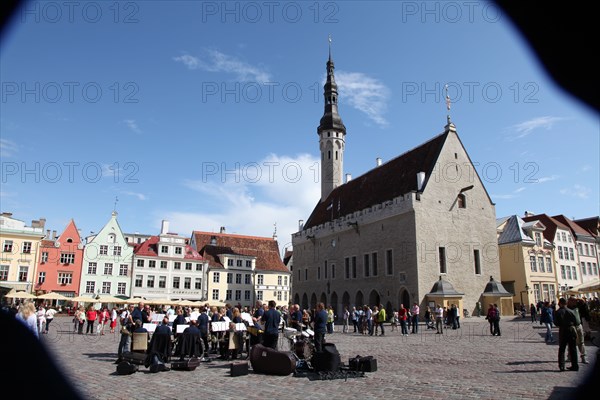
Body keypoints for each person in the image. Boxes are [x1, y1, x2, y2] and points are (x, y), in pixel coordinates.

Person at [554, 298, 578, 371]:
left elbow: (556, 323)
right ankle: (575, 365)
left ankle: (561, 365)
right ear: (566, 303)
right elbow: (576, 322)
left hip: (563, 330)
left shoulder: (558, 312)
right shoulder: (571, 311)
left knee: (562, 349)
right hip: (571, 329)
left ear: (560, 303)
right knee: (573, 348)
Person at [567, 297, 588, 364]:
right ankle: (569, 356)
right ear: (570, 301)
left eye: (575, 301)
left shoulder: (577, 306)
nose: (575, 302)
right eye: (573, 301)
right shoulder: (567, 308)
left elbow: (583, 302)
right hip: (572, 327)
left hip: (579, 326)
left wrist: (578, 298)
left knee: (581, 342)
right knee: (571, 343)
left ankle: (583, 357)